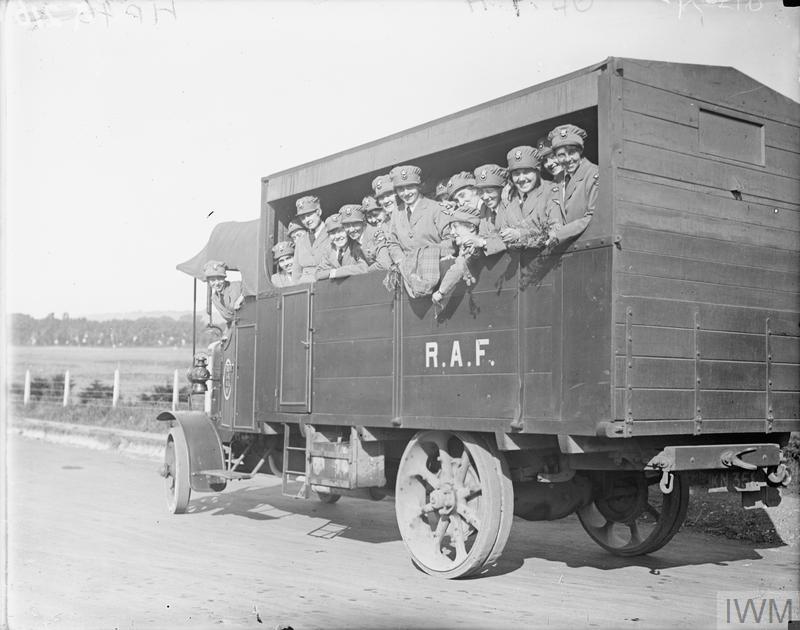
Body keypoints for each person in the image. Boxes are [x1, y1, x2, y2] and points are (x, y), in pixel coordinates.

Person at [545, 123, 598, 246]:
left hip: (585, 245)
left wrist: (561, 233)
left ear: (580, 151)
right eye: (561, 155)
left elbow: (593, 215)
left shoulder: (593, 174)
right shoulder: (557, 180)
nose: (568, 159)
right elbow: (552, 210)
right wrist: (554, 227)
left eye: (572, 152)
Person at [386, 164, 448, 260]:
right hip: (408, 270)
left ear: (419, 186)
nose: (406, 193)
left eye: (410, 187)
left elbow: (450, 239)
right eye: (400, 189)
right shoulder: (397, 212)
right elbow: (392, 243)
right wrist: (402, 261)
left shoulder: (436, 208)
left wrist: (432, 254)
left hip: (435, 265)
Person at [498, 145, 555, 248]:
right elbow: (501, 231)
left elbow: (554, 231)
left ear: (537, 171)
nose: (521, 179)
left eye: (526, 172)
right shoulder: (509, 197)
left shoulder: (551, 191)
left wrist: (520, 234)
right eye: (516, 173)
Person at [431, 204, 483, 307]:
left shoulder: (472, 244)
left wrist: (441, 292)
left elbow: (460, 266)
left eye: (455, 227)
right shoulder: (464, 246)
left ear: (472, 227)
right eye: (451, 228)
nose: (452, 232)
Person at [340, 203, 393, 271]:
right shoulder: (354, 242)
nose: (351, 230)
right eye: (347, 225)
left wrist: (364, 270)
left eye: (355, 224)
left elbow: (385, 264)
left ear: (364, 222)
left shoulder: (376, 235)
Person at [316, 214, 369, 280]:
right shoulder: (329, 249)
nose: (337, 236)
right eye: (332, 233)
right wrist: (331, 273)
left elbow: (364, 267)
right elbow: (318, 273)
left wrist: (337, 272)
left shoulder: (355, 245)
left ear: (347, 231)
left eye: (340, 231)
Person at [291, 195, 331, 283]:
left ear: (318, 212)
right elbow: (296, 273)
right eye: (302, 217)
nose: (306, 220)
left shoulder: (331, 233)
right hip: (304, 288)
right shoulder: (301, 241)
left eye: (309, 215)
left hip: (327, 283)